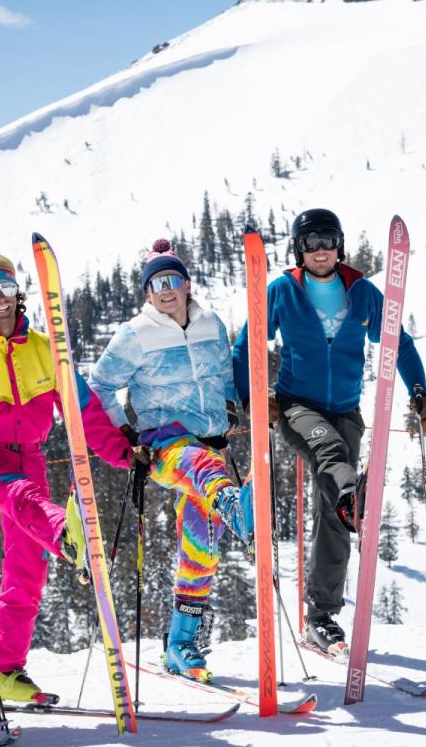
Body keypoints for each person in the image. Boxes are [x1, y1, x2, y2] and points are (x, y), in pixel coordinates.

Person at [0, 251, 138, 703]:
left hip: (32, 455)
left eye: (5, 288)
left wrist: (123, 453)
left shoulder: (46, 349)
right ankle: (68, 537)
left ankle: (2, 671)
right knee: (22, 498)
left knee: (27, 568)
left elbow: (84, 411)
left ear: (17, 293)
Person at [232, 208, 426, 656]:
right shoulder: (283, 291)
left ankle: (321, 618)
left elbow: (396, 343)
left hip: (346, 411)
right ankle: (353, 489)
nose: (320, 250)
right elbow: (246, 343)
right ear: (299, 250)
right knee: (331, 457)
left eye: (327, 240)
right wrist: (247, 397)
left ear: (339, 245)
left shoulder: (362, 293)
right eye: (310, 243)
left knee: (334, 513)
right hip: (297, 408)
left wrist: (419, 390)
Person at [88, 239, 254, 682]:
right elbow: (100, 385)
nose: (166, 289)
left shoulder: (211, 324)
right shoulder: (135, 334)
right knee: (203, 468)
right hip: (165, 444)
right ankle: (238, 510)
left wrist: (235, 402)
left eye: (172, 280)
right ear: (147, 292)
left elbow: (221, 375)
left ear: (186, 285)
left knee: (201, 548)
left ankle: (181, 646)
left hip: (212, 440)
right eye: (156, 283)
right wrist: (123, 431)